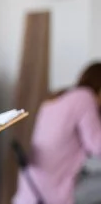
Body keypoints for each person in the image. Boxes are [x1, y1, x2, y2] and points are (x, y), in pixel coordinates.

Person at [12, 62, 101, 204]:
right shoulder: (85, 97)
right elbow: (97, 146)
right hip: (53, 194)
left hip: (30, 191)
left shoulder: (58, 97)